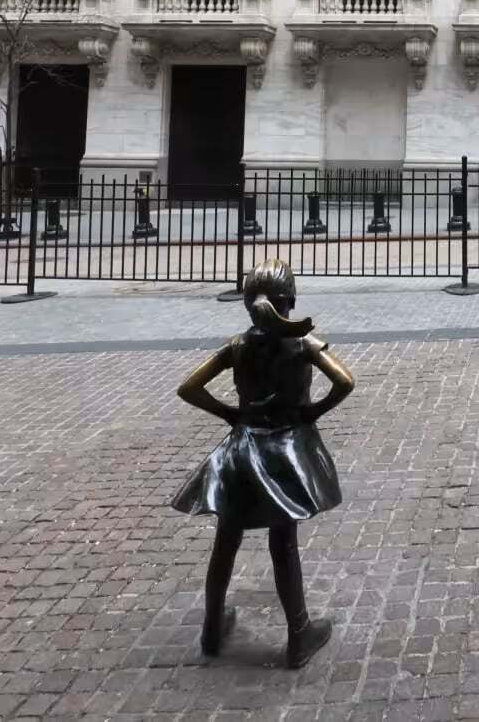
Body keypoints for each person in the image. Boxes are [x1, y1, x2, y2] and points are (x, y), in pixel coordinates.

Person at [171, 258, 355, 666]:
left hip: (241, 450)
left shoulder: (238, 346)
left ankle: (212, 628)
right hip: (285, 452)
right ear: (291, 300)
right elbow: (344, 382)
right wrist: (312, 412)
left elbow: (189, 388)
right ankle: (299, 632)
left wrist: (230, 414)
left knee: (226, 538)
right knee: (283, 541)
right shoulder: (303, 344)